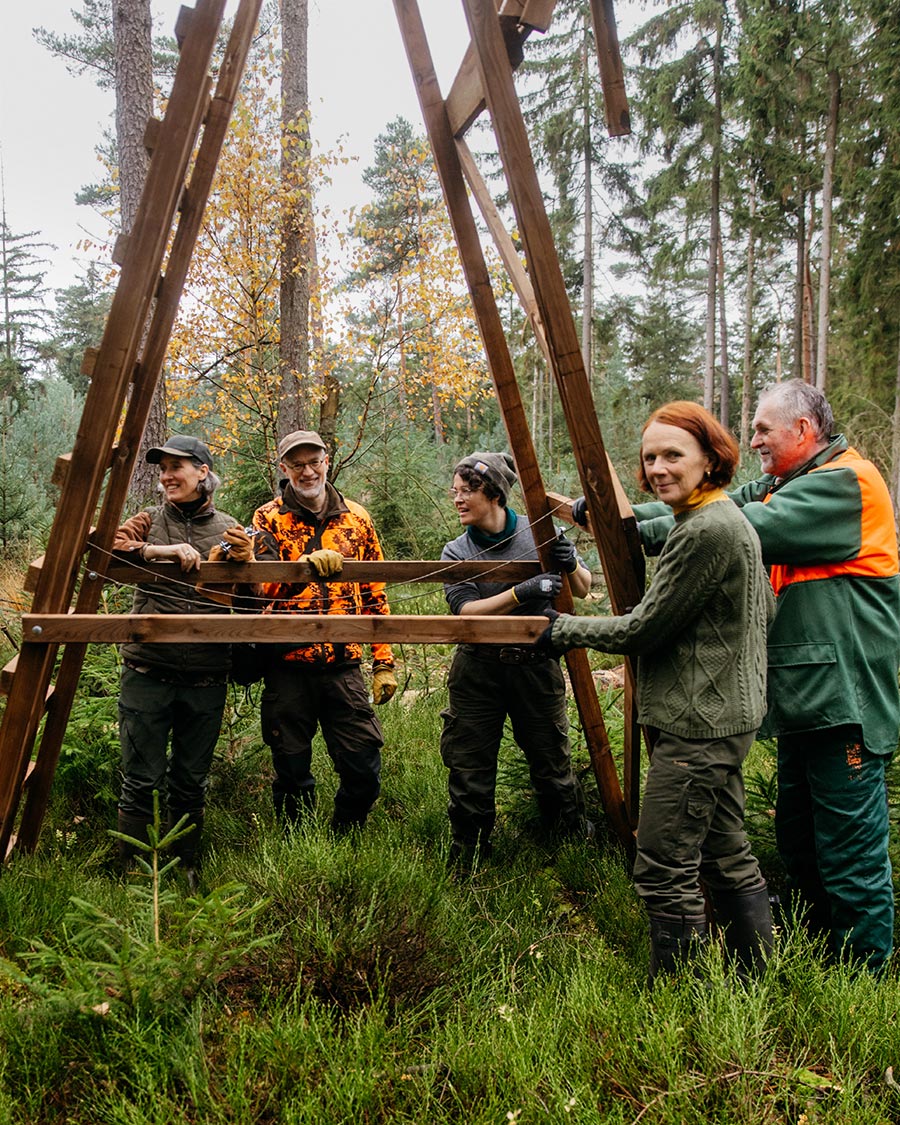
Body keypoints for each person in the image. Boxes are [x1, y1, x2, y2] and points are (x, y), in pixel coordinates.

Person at [621, 381, 900, 973]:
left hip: (844, 697)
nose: (753, 442)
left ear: (803, 431)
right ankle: (823, 954)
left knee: (849, 848)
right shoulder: (787, 482)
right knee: (801, 837)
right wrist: (615, 518)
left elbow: (729, 522)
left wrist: (633, 527)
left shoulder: (846, 481)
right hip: (807, 697)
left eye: (763, 430)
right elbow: (711, 502)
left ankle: (865, 973)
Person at [547, 404, 775, 982]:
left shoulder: (706, 530)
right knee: (725, 854)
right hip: (726, 716)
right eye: (650, 458)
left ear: (710, 459)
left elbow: (643, 628)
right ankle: (752, 982)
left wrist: (559, 629)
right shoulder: (716, 520)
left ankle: (679, 996)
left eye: (674, 455)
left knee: (664, 863)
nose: (658, 469)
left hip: (700, 727)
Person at [439, 451, 593, 865]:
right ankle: (469, 856)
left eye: (467, 491)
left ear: (494, 495)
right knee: (469, 767)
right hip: (478, 669)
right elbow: (466, 613)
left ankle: (569, 851)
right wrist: (521, 593)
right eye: (455, 491)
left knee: (552, 763)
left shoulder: (538, 533)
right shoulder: (456, 551)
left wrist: (568, 562)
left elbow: (582, 586)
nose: (457, 499)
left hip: (536, 667)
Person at [113, 434, 255, 882]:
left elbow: (256, 605)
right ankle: (134, 873)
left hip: (208, 677)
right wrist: (161, 550)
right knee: (140, 780)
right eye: (163, 469)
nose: (168, 476)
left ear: (203, 473)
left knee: (191, 782)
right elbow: (107, 547)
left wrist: (247, 566)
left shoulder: (232, 528)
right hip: (146, 671)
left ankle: (185, 866)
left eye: (178, 467)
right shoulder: (148, 520)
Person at [251, 430, 397, 834]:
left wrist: (383, 661)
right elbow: (261, 589)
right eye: (296, 464)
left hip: (343, 663)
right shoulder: (268, 517)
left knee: (363, 761)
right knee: (291, 767)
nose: (307, 471)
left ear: (327, 461)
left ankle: (343, 833)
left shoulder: (357, 518)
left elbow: (375, 592)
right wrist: (302, 566)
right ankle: (298, 847)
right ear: (284, 469)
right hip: (287, 662)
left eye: (313, 461)